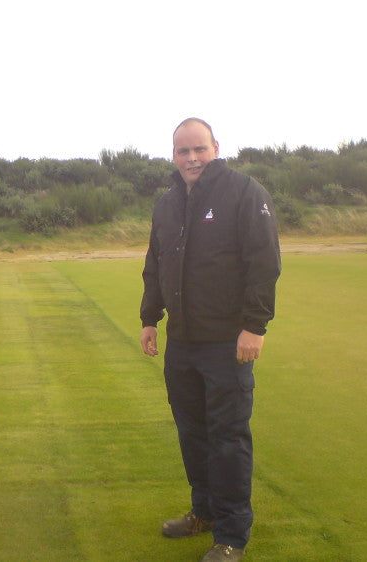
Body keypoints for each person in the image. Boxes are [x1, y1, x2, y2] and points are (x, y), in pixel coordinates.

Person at [139, 117, 281, 561]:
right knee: (193, 434)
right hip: (182, 342)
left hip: (226, 342)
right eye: (183, 151)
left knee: (228, 436)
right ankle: (203, 512)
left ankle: (231, 536)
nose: (192, 158)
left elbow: (264, 262)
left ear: (215, 148)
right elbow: (155, 263)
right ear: (173, 155)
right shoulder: (167, 203)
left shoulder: (243, 192)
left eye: (199, 149)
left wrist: (255, 326)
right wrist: (149, 318)